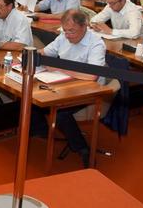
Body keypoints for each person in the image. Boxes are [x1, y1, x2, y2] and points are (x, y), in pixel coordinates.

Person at [36, 9, 108, 167]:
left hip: (90, 89)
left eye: (72, 31)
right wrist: (31, 55)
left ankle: (82, 148)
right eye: (65, 30)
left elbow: (92, 76)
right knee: (34, 98)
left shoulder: (96, 43)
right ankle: (42, 130)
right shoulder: (63, 36)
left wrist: (58, 69)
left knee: (59, 113)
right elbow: (46, 52)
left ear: (84, 26)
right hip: (66, 83)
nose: (68, 35)